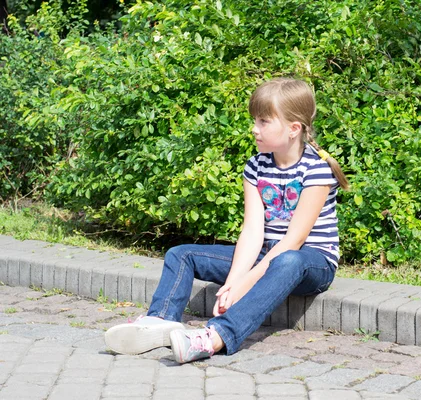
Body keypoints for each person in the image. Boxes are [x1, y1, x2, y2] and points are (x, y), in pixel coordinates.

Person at [104, 77, 349, 363]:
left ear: (294, 129)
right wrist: (232, 283)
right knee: (181, 255)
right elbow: (253, 231)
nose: (254, 129)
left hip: (310, 262)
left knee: (288, 260)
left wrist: (244, 286)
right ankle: (160, 321)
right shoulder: (256, 165)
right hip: (268, 253)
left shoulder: (317, 171)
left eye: (263, 122)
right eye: (254, 120)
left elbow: (293, 242)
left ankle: (216, 336)